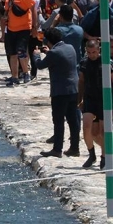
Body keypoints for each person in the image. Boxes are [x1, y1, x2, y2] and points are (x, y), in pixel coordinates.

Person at [34, 27, 81, 158]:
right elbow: (60, 58)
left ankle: (57, 149)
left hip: (60, 92)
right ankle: (74, 148)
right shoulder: (70, 47)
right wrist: (49, 52)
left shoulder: (53, 53)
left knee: (58, 120)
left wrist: (36, 55)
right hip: (74, 89)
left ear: (48, 41)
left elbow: (40, 65)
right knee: (73, 120)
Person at [3, 0, 36, 86]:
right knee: (12, 53)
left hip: (23, 28)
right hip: (11, 29)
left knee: (21, 51)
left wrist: (34, 26)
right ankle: (15, 76)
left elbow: (33, 8)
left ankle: (26, 73)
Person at [78, 40, 105, 168]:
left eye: (94, 52)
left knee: (101, 132)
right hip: (89, 98)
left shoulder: (105, 61)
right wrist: (79, 98)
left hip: (103, 99)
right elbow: (81, 81)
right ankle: (91, 154)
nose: (92, 55)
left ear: (98, 50)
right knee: (87, 128)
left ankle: (104, 157)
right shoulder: (84, 62)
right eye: (89, 52)